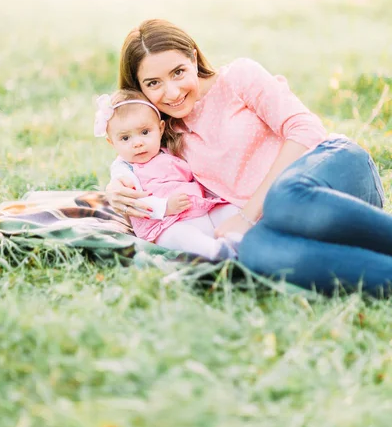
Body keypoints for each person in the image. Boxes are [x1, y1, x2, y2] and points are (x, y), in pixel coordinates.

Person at [106, 18, 392, 295]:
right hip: (287, 220)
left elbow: (306, 129)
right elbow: (133, 162)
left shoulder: (238, 78)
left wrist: (247, 214)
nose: (172, 91)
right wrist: (117, 187)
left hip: (333, 171)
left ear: (193, 59)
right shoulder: (162, 135)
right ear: (139, 89)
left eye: (178, 72)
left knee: (283, 197)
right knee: (256, 254)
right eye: (153, 83)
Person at [95, 89, 240, 260]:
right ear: (111, 142)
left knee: (229, 211)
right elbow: (133, 200)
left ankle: (241, 240)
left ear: (160, 128)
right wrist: (165, 207)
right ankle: (214, 252)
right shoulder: (124, 169)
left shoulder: (170, 152)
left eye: (145, 132)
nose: (138, 143)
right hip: (164, 224)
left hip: (199, 209)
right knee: (183, 236)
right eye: (125, 138)